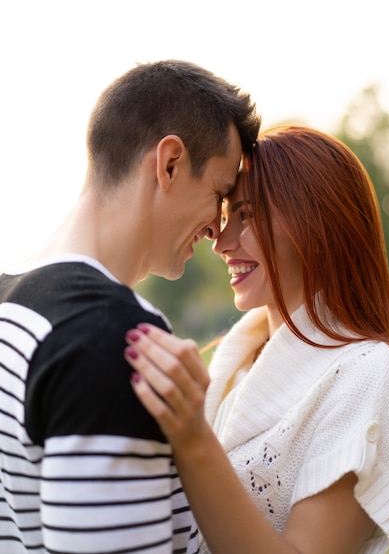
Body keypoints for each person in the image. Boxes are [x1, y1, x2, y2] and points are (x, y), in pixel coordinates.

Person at [0, 59, 260, 554]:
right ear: (169, 164)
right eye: (220, 195)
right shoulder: (115, 338)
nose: (215, 231)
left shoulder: (8, 303)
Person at [124, 126, 389, 554]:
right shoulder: (235, 362)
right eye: (225, 219)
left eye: (247, 216)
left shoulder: (369, 374)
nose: (221, 243)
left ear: (317, 223)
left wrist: (192, 439)